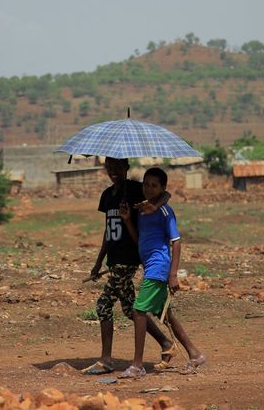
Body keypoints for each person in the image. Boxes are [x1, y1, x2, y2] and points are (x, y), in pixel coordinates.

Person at [82, 157, 174, 375]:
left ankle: (106, 360)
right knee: (130, 309)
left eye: (118, 167)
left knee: (104, 305)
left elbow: (166, 195)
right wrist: (98, 262)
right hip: (114, 259)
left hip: (129, 257)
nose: (113, 171)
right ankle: (165, 343)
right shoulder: (107, 196)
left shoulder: (135, 189)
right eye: (109, 168)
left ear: (126, 168)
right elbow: (108, 231)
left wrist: (153, 207)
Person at [117, 166, 205, 379]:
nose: (148, 189)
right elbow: (140, 241)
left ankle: (137, 365)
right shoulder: (143, 211)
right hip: (150, 265)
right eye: (146, 184)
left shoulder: (165, 211)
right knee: (165, 314)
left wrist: (173, 274)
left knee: (138, 311)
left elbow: (176, 242)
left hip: (159, 266)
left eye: (154, 185)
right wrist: (128, 220)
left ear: (162, 188)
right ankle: (195, 354)